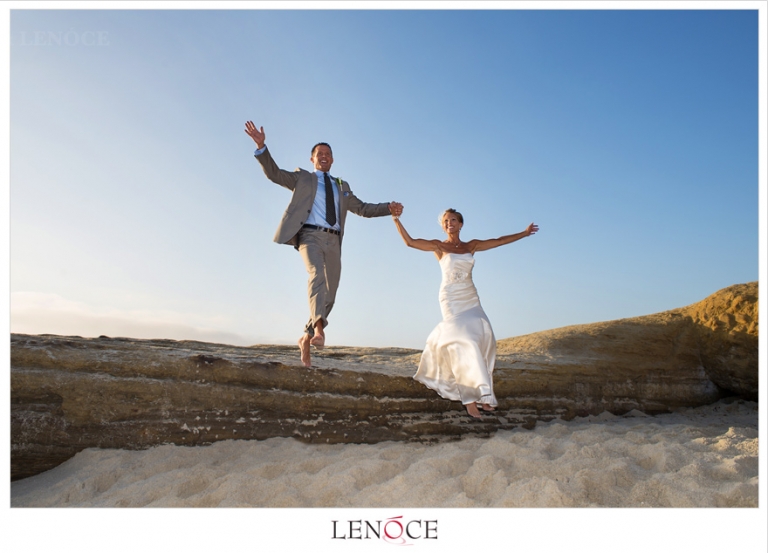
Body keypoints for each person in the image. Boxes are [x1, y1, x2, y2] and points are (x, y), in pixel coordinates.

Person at [245, 121, 403, 367]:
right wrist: (261, 147)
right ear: (312, 159)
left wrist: (388, 208)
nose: (324, 156)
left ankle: (306, 336)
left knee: (331, 292)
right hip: (309, 236)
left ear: (333, 159)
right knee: (316, 275)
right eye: (320, 153)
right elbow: (274, 174)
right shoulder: (303, 178)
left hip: (334, 240)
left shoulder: (342, 186)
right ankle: (319, 332)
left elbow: (362, 208)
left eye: (328, 154)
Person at [392, 208, 538, 418]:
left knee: (484, 338)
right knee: (463, 341)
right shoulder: (439, 246)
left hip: (470, 297)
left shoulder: (471, 245)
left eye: (453, 220)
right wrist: (396, 219)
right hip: (451, 298)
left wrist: (524, 233)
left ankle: (485, 397)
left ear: (460, 224)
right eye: (445, 221)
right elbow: (410, 242)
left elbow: (499, 241)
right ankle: (469, 399)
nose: (449, 223)